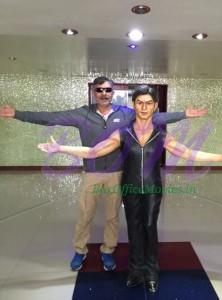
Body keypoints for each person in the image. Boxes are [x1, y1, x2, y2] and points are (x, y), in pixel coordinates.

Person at [0, 77, 207, 272]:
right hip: (92, 173)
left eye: (108, 90)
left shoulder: (125, 113)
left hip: (117, 174)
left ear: (112, 92)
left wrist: (184, 114)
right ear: (94, 92)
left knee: (112, 217)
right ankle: (80, 251)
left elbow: (154, 116)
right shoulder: (82, 114)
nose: (104, 93)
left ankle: (108, 250)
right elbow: (51, 117)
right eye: (99, 90)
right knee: (85, 215)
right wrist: (17, 113)